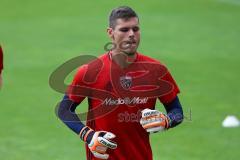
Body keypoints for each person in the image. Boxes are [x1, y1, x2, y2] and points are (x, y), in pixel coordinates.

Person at [57, 6, 183, 160]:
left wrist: (167, 121)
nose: (131, 35)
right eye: (124, 30)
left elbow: (177, 111)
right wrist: (88, 135)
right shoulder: (91, 71)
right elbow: (64, 109)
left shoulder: (156, 70)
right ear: (110, 33)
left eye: (135, 29)